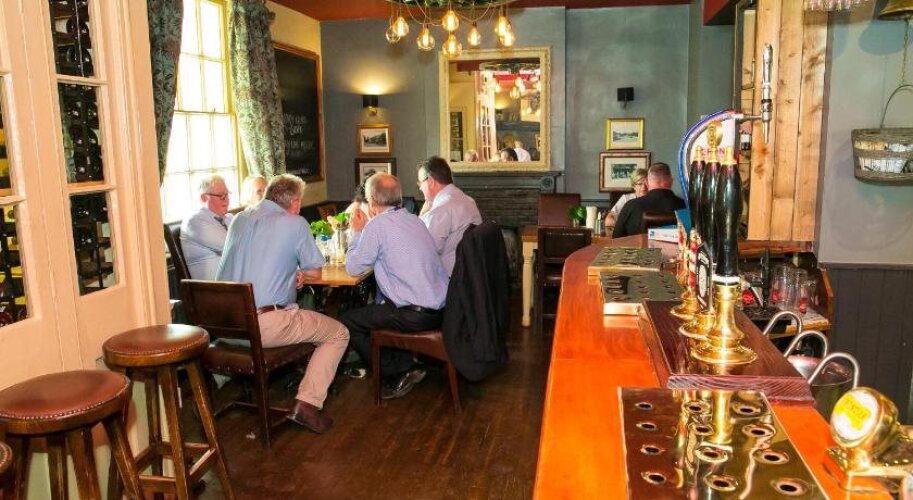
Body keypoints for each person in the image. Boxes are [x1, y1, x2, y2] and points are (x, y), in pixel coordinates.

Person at [216, 174, 349, 434]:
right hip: (262, 326)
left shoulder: (239, 219)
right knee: (338, 333)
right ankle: (307, 405)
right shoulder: (294, 222)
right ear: (295, 203)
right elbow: (315, 273)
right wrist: (298, 272)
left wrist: (289, 273)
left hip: (223, 325)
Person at [341, 173, 449, 400]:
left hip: (415, 315)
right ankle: (404, 362)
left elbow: (353, 268)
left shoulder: (377, 226)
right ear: (399, 198)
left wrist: (357, 233)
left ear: (372, 201)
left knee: (348, 321)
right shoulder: (414, 220)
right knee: (383, 307)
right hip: (442, 309)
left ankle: (397, 372)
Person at [417, 157, 482, 275]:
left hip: (447, 278)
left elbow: (424, 251)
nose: (420, 187)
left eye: (420, 182)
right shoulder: (468, 200)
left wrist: (422, 215)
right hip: (469, 274)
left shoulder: (441, 209)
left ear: (430, 182)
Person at [612, 162, 686, 238]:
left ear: (647, 183)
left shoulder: (630, 206)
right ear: (671, 181)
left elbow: (615, 238)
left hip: (637, 246)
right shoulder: (685, 206)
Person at [181, 175, 233, 280]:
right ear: (203, 198)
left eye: (227, 195)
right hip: (214, 287)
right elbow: (233, 247)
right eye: (221, 196)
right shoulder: (195, 222)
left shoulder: (229, 218)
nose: (226, 200)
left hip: (236, 281)